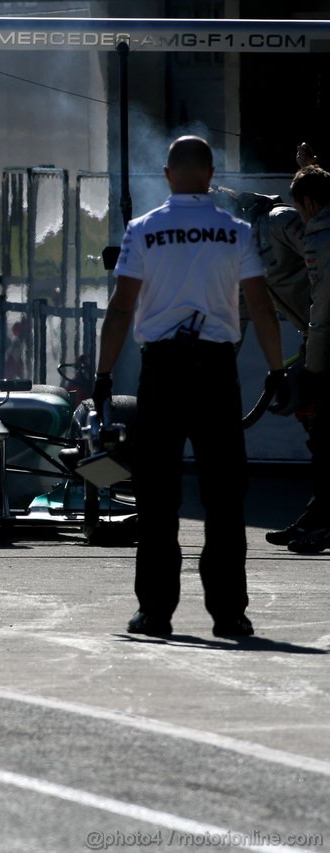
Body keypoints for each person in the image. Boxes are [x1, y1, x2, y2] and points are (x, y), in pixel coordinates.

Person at [94, 135, 287, 639]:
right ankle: (230, 615)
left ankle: (155, 612)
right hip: (215, 372)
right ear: (209, 174)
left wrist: (103, 374)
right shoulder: (236, 231)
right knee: (225, 496)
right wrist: (277, 369)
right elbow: (262, 308)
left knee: (158, 494)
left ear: (167, 174)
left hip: (163, 370)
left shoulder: (143, 230)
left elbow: (120, 307)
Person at [270, 165, 330, 553]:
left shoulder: (323, 239)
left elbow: (324, 307)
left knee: (325, 438)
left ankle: (320, 522)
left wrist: (312, 368)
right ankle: (316, 515)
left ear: (307, 203)